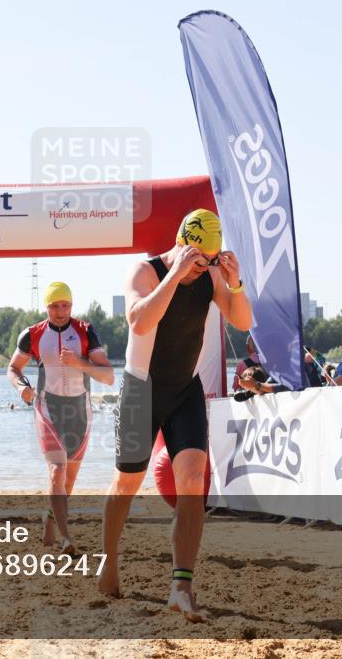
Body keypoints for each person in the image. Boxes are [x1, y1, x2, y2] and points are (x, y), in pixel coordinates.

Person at [99, 208, 252, 622]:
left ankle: (181, 585)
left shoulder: (209, 277)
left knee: (192, 480)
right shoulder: (145, 272)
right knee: (127, 483)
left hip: (185, 389)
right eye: (198, 260)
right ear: (183, 244)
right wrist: (174, 276)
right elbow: (139, 321)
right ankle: (108, 559)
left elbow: (242, 321)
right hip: (140, 390)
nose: (203, 268)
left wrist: (234, 283)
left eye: (210, 260)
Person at [8, 281, 113, 555]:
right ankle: (67, 539)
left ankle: (50, 516)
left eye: (65, 305)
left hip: (79, 410)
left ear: (72, 305)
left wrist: (79, 363)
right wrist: (22, 388)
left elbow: (108, 376)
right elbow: (13, 368)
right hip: (48, 408)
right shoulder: (32, 334)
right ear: (47, 307)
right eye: (55, 306)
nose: (60, 311)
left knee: (68, 481)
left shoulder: (85, 332)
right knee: (57, 470)